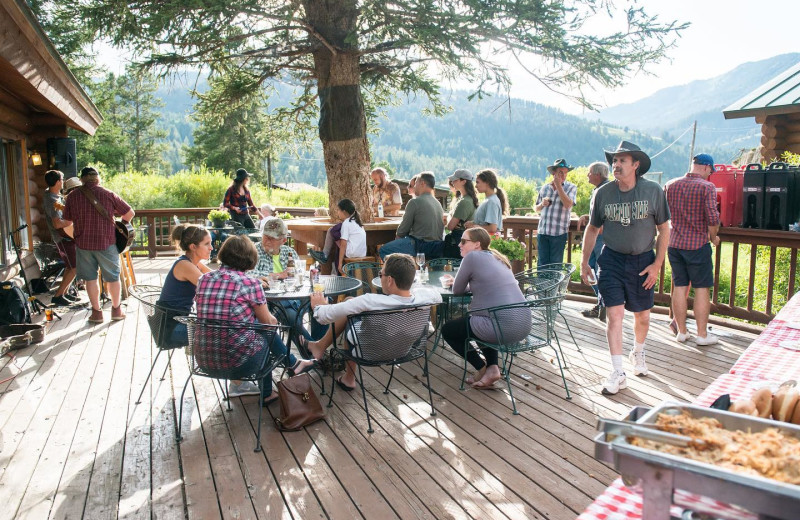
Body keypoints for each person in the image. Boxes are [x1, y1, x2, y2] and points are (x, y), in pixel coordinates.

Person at [579, 141, 670, 396]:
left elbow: (664, 229)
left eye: (622, 161)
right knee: (614, 315)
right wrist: (585, 261)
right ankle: (618, 372)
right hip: (612, 260)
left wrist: (657, 264)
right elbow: (593, 228)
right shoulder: (603, 193)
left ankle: (638, 351)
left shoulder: (652, 191)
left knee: (642, 315)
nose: (616, 165)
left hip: (643, 262)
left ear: (636, 165)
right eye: (614, 161)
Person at [195, 235, 315, 401]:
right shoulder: (250, 283)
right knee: (264, 329)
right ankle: (277, 382)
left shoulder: (203, 279)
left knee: (258, 328)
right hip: (239, 363)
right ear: (250, 259)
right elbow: (270, 322)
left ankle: (293, 364)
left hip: (204, 359)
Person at [302, 253, 442, 390]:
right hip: (403, 350)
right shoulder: (428, 298)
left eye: (381, 274)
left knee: (350, 311)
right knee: (351, 308)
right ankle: (321, 349)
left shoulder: (369, 301)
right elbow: (435, 294)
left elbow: (324, 316)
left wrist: (318, 306)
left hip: (367, 353)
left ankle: (347, 376)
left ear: (390, 280)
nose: (380, 277)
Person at [440, 227, 531, 389]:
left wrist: (459, 283)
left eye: (463, 241)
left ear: (477, 244)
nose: (459, 245)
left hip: (504, 327)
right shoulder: (497, 257)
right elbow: (485, 283)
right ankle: (493, 369)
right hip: (523, 324)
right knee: (482, 320)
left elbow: (457, 291)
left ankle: (483, 369)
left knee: (448, 330)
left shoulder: (472, 257)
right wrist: (469, 285)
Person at [63, 167, 135, 323]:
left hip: (83, 244)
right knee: (113, 278)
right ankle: (116, 310)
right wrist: (121, 227)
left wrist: (77, 232)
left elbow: (67, 222)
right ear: (97, 179)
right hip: (106, 242)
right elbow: (129, 213)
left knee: (90, 279)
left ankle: (96, 313)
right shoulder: (108, 194)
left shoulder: (72, 196)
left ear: (81, 179)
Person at [664, 153, 721, 346]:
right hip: (697, 245)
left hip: (674, 244)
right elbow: (713, 218)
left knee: (679, 286)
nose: (710, 174)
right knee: (701, 288)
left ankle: (681, 332)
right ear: (705, 167)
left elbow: (665, 214)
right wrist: (714, 237)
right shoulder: (707, 187)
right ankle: (702, 335)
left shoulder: (671, 184)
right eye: (710, 171)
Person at [249, 217, 326, 341]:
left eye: (272, 238)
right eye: (265, 236)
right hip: (271, 302)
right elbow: (249, 273)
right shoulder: (253, 251)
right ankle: (314, 352)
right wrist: (279, 275)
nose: (267, 241)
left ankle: (318, 343)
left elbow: (299, 274)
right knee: (291, 316)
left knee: (323, 302)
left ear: (283, 240)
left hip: (295, 298)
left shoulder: (289, 252)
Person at [156, 224, 213, 345]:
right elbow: (212, 287)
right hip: (172, 329)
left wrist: (250, 280)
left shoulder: (194, 264)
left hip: (181, 321)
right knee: (222, 332)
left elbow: (219, 277)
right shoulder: (185, 265)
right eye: (207, 244)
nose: (211, 248)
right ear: (193, 247)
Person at [378, 172, 444, 260]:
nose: (414, 187)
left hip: (419, 245)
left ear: (422, 183)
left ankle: (399, 272)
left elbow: (403, 229)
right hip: (436, 247)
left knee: (384, 250)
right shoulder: (437, 203)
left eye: (415, 183)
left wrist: (398, 239)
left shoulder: (415, 202)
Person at [578, 162, 611, 321]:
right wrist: (587, 216)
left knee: (597, 270)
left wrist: (599, 225)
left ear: (598, 175)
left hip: (600, 237)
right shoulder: (602, 189)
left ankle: (603, 305)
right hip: (598, 235)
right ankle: (602, 304)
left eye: (589, 172)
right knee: (593, 269)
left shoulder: (604, 190)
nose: (587, 175)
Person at [42, 170, 78, 307]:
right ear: (57, 182)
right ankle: (58, 296)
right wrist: (69, 222)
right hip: (63, 238)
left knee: (70, 266)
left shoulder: (52, 195)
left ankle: (64, 293)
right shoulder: (52, 200)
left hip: (66, 237)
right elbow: (57, 223)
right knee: (75, 267)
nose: (63, 181)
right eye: (62, 179)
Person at [534, 159, 577, 268]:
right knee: (541, 265)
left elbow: (568, 205)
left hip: (559, 233)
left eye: (565, 172)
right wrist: (542, 204)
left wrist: (559, 186)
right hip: (543, 231)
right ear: (554, 173)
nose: (563, 175)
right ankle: (541, 286)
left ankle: (554, 286)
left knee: (555, 267)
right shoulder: (545, 188)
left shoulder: (571, 187)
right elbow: (536, 208)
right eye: (560, 172)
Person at [308, 199, 367, 274]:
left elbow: (343, 244)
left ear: (344, 211)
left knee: (335, 239)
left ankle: (325, 256)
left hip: (352, 253)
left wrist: (340, 263)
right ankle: (325, 255)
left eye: (338, 210)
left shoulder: (346, 223)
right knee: (332, 231)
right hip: (362, 253)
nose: (337, 212)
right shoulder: (358, 222)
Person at [443, 169, 479, 256]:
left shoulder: (464, 202)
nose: (452, 182)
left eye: (455, 180)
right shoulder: (469, 199)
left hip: (458, 243)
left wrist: (449, 217)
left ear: (463, 181)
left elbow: (450, 226)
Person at [465, 168, 508, 233]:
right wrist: (472, 223)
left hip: (487, 241)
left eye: (477, 182)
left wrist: (473, 226)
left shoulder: (492, 202)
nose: (475, 186)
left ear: (487, 183)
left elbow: (492, 228)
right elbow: (483, 223)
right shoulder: (488, 200)